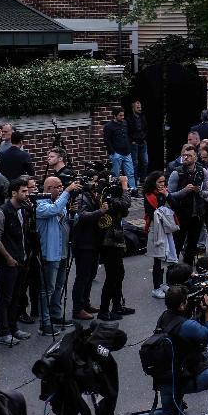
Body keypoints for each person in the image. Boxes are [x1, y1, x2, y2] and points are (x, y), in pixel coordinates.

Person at [145, 284, 208, 415]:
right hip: (182, 377)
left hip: (165, 377)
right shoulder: (186, 326)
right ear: (181, 305)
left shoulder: (165, 316)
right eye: (187, 300)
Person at [0, 179, 33, 347]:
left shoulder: (23, 210)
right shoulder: (2, 212)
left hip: (21, 259)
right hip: (8, 261)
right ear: (14, 193)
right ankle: (3, 332)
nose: (27, 194)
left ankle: (13, 328)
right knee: (5, 297)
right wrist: (7, 257)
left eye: (27, 191)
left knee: (17, 296)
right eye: (23, 191)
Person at [35, 176, 80, 335]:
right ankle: (44, 322)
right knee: (48, 288)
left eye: (62, 186)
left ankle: (56, 315)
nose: (61, 189)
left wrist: (73, 213)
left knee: (59, 286)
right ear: (48, 189)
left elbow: (66, 221)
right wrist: (67, 192)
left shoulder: (60, 203)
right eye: (58, 187)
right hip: (50, 252)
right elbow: (52, 211)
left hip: (63, 251)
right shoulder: (40, 204)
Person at [69, 177, 106, 320]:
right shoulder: (80, 196)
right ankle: (77, 308)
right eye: (93, 181)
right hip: (84, 243)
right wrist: (101, 211)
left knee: (90, 276)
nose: (96, 184)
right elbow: (82, 216)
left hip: (93, 241)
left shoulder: (93, 195)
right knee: (82, 277)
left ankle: (86, 303)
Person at [98, 181, 133, 319]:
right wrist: (124, 186)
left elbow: (124, 211)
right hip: (109, 242)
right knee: (112, 276)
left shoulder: (113, 198)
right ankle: (104, 310)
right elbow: (126, 203)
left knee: (119, 274)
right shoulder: (107, 197)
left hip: (116, 241)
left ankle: (117, 306)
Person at [168, 144, 207, 265]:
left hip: (197, 214)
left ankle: (188, 269)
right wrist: (184, 191)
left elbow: (207, 193)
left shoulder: (202, 171)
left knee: (192, 244)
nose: (186, 158)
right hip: (181, 214)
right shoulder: (176, 173)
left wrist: (199, 191)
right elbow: (169, 195)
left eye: (189, 156)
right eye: (184, 155)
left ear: (195, 157)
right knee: (177, 243)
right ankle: (172, 270)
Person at [147, 179, 179, 298]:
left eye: (163, 182)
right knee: (158, 258)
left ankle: (166, 283)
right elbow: (151, 212)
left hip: (166, 229)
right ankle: (156, 287)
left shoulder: (164, 194)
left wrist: (167, 195)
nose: (162, 184)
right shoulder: (149, 195)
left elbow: (175, 206)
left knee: (170, 257)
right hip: (157, 230)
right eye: (159, 182)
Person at [103, 107, 134, 185]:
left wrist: (129, 147)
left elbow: (128, 135)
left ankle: (133, 190)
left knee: (130, 173)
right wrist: (113, 152)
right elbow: (107, 141)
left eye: (123, 115)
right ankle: (115, 191)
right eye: (120, 115)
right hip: (117, 153)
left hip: (127, 152)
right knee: (115, 175)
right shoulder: (109, 126)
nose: (122, 117)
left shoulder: (125, 123)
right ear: (115, 116)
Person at [128, 100, 149, 179]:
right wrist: (132, 141)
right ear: (133, 108)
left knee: (145, 161)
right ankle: (135, 179)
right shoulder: (129, 118)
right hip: (134, 143)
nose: (140, 109)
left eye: (140, 107)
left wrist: (144, 138)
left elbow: (146, 128)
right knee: (135, 163)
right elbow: (128, 131)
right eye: (138, 107)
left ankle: (143, 178)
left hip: (142, 142)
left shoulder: (142, 117)